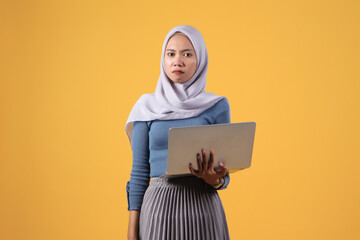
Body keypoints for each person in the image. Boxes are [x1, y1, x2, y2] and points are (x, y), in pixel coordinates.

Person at [126, 25, 231, 240]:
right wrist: (131, 231)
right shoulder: (146, 108)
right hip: (158, 209)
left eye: (187, 54)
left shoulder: (217, 106)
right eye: (171, 54)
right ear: (163, 59)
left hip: (203, 209)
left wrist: (214, 179)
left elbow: (224, 175)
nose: (177, 61)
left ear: (200, 60)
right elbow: (138, 173)